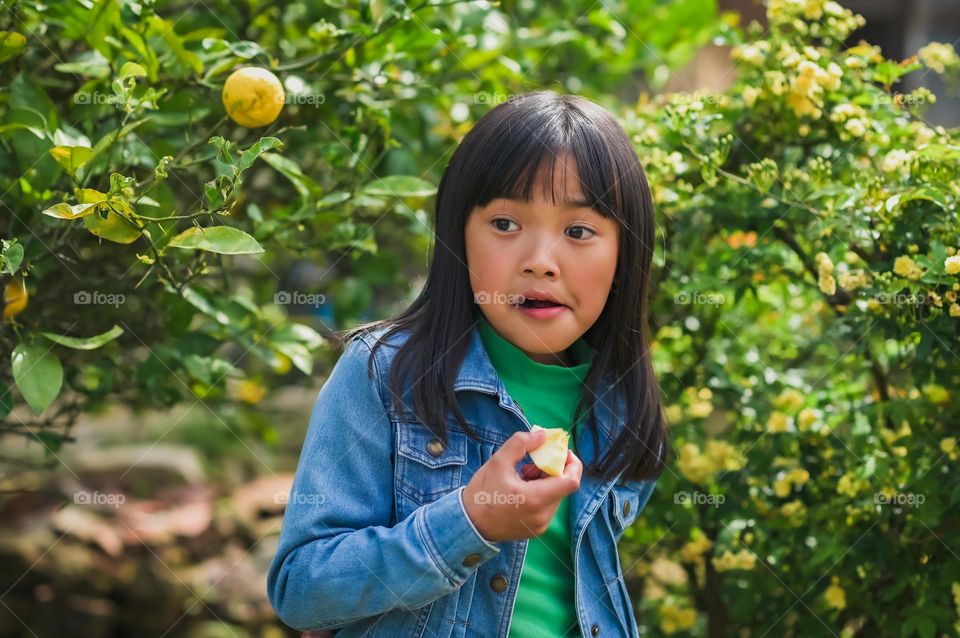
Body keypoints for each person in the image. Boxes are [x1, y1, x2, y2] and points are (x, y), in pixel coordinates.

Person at [267, 90, 669, 637]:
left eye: (579, 231)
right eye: (506, 224)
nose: (540, 263)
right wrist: (471, 521)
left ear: (626, 252)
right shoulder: (384, 375)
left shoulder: (619, 405)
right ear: (459, 235)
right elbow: (301, 588)